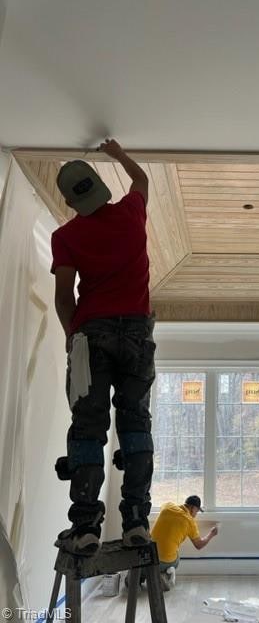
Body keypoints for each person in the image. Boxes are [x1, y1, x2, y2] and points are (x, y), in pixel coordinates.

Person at [51, 138, 156, 556]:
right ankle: (135, 521)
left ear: (70, 201)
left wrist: (70, 334)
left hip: (91, 334)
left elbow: (64, 296)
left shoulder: (66, 236)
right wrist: (116, 151)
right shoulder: (131, 214)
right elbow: (142, 179)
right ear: (98, 185)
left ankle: (85, 528)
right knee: (135, 423)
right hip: (136, 333)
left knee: (89, 428)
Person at [150, 496, 218, 589]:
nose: (195, 515)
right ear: (193, 508)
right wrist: (211, 534)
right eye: (197, 511)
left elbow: (163, 507)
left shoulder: (168, 506)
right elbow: (199, 545)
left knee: (146, 566)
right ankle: (163, 574)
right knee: (176, 557)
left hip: (149, 556)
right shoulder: (190, 522)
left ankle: (140, 577)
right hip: (165, 561)